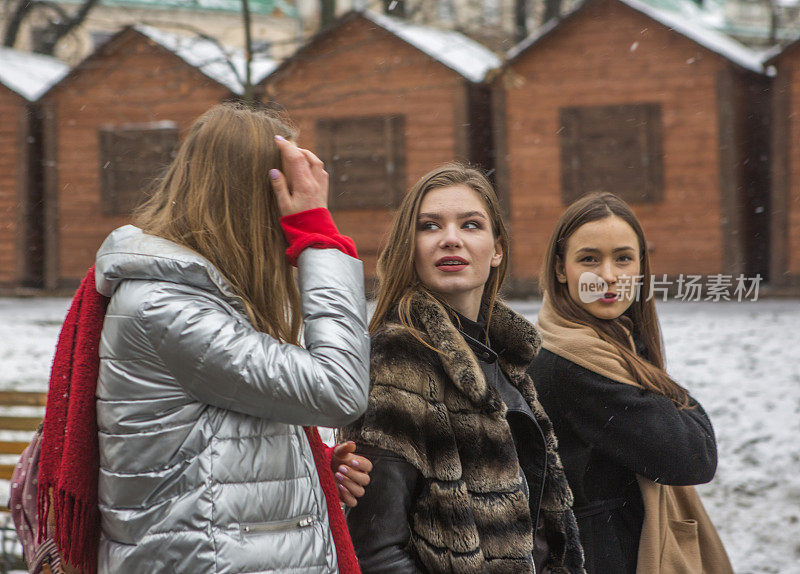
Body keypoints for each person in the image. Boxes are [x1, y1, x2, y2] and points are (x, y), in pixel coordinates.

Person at [38, 103, 372, 573]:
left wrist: (302, 472)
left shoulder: (199, 298)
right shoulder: (167, 308)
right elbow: (338, 389)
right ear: (256, 204)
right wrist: (319, 237)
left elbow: (209, 447)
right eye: (287, 200)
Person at [342, 164, 585, 573]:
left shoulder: (505, 357)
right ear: (409, 245)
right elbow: (376, 551)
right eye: (430, 226)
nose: (450, 239)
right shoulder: (400, 357)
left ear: (497, 249)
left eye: (471, 225)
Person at [530, 192, 733, 574]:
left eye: (623, 258)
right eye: (589, 259)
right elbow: (694, 455)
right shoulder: (572, 365)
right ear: (561, 270)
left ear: (641, 268)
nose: (609, 276)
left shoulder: (611, 344)